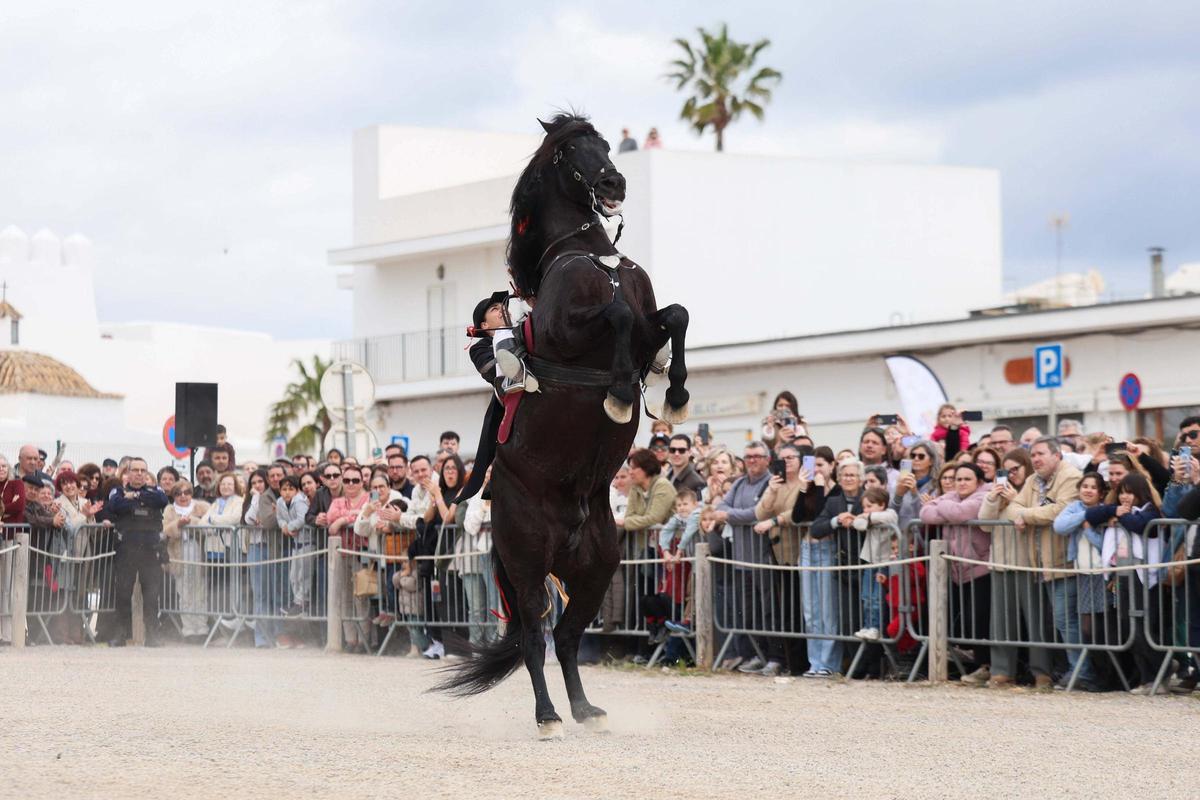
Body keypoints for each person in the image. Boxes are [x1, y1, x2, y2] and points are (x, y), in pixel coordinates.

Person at [980, 437, 1079, 690]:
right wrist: (997, 500)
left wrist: (1024, 512)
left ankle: (1044, 672)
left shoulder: (1055, 479)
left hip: (1033, 561)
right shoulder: (1031, 484)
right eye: (1007, 469)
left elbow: (1055, 512)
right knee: (1001, 622)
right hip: (1003, 561)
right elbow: (989, 520)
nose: (1011, 473)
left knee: (1040, 623)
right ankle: (1002, 671)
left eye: (1016, 468)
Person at [1086, 473, 1163, 694]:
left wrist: (1121, 517)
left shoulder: (1150, 510)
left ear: (1140, 492)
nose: (1125, 497)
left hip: (1143, 575)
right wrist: (1113, 511)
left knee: (1141, 626)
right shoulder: (1119, 509)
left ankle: (1161, 669)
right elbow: (1091, 514)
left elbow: (1141, 526)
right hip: (1122, 574)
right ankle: (1147, 678)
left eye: (1129, 492)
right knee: (1127, 625)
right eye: (1122, 492)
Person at [920, 463, 993, 684]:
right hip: (955, 568)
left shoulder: (985, 495)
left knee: (980, 619)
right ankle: (971, 662)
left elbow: (961, 514)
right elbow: (925, 514)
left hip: (979, 566)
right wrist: (948, 505)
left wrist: (943, 503)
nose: (960, 483)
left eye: (966, 479)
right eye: (958, 479)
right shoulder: (952, 497)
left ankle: (986, 666)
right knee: (963, 618)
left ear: (978, 481)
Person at [713, 441, 776, 673]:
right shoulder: (739, 483)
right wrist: (732, 514)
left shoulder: (771, 482)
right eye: (748, 456)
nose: (752, 460)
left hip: (765, 558)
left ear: (767, 459)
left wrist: (729, 515)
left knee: (769, 611)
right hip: (741, 559)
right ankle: (754, 655)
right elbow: (721, 506)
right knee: (748, 612)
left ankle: (773, 657)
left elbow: (759, 512)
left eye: (757, 456)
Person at [1053, 473, 1116, 691]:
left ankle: (1104, 674)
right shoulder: (1076, 508)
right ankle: (1089, 673)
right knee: (1087, 628)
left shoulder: (1108, 511)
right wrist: (1087, 516)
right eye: (1085, 486)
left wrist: (1089, 529)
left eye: (1093, 487)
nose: (1088, 490)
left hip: (1101, 574)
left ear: (1101, 492)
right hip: (1083, 574)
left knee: (1101, 627)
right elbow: (1060, 526)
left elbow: (1104, 545)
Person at [806, 459, 864, 677]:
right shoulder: (834, 503)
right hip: (843, 568)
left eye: (852, 475)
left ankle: (868, 668)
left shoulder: (868, 498)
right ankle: (853, 668)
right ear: (839, 478)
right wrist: (835, 521)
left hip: (867, 565)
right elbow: (816, 528)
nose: (848, 479)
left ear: (861, 479)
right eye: (845, 475)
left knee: (868, 617)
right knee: (847, 619)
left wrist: (860, 520)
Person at [106, 457, 168, 647]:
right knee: (123, 593)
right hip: (127, 549)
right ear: (128, 473)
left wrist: (135, 498)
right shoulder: (117, 491)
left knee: (151, 595)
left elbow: (161, 500)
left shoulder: (155, 490)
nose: (139, 474)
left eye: (143, 470)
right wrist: (132, 500)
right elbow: (115, 505)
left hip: (150, 550)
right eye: (135, 470)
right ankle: (121, 634)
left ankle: (153, 636)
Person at [621, 449, 676, 658]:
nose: (631, 472)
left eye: (634, 468)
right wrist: (631, 522)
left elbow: (654, 517)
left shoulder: (663, 486)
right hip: (646, 550)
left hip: (666, 550)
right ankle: (647, 645)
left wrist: (627, 523)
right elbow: (632, 516)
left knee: (660, 596)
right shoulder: (636, 488)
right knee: (643, 596)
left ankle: (665, 645)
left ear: (646, 469)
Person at [163, 480, 211, 641]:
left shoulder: (202, 507)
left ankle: (202, 627)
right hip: (179, 552)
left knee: (200, 591)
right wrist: (179, 523)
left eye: (186, 492)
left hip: (198, 550)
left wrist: (192, 523)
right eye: (178, 493)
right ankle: (189, 629)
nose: (183, 496)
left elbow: (209, 527)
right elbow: (165, 530)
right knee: (184, 592)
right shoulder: (169, 510)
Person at [852, 487, 898, 643]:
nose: (865, 510)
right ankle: (867, 625)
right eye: (864, 506)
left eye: (869, 505)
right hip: (869, 561)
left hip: (883, 562)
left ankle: (876, 627)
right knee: (867, 596)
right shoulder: (868, 517)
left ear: (882, 504)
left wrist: (868, 517)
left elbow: (890, 518)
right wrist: (867, 517)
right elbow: (857, 523)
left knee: (877, 597)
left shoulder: (890, 513)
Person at [469, 290, 538, 394]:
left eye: (504, 307)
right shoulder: (479, 348)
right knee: (502, 334)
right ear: (485, 325)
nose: (503, 310)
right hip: (509, 392)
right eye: (495, 309)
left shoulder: (523, 329)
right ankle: (518, 375)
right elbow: (488, 370)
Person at [459, 468, 496, 647]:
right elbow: (470, 526)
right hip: (485, 552)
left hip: (506, 552)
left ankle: (496, 642)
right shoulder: (477, 495)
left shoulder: (509, 490)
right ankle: (482, 646)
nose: (489, 474)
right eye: (487, 470)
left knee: (497, 603)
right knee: (487, 603)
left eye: (492, 470)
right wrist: (484, 507)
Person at [891, 440, 940, 531]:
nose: (916, 459)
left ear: (931, 461)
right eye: (913, 456)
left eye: (921, 456)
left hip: (922, 538)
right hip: (900, 538)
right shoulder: (902, 480)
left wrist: (914, 493)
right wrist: (898, 495)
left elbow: (922, 515)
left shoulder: (937, 486)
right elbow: (891, 513)